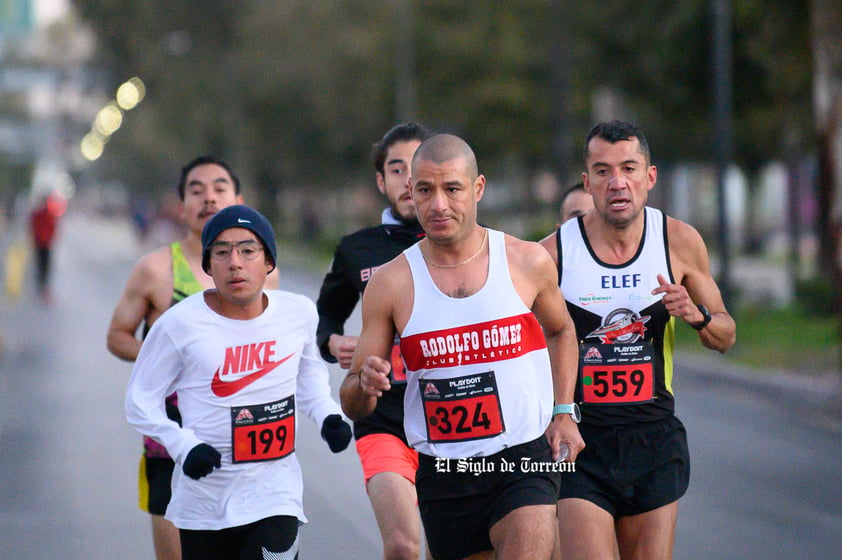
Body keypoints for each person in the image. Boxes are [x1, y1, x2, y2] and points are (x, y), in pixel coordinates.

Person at [341, 133, 585, 560]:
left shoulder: (524, 261)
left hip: (522, 460)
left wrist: (564, 411)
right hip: (444, 470)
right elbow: (352, 401)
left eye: (452, 189)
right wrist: (364, 382)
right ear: (410, 193)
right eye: (425, 190)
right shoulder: (390, 282)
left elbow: (562, 332)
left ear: (477, 189)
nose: (438, 205)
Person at [539, 120, 736, 560]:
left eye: (629, 168)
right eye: (604, 171)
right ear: (587, 182)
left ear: (649, 177)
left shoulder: (679, 241)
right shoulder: (553, 254)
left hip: (654, 437)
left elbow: (725, 335)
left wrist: (698, 316)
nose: (618, 182)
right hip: (582, 441)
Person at [125, 205, 352, 560]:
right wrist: (183, 445)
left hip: (275, 496)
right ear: (208, 265)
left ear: (268, 262)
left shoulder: (299, 313)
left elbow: (308, 379)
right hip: (203, 503)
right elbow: (140, 400)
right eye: (221, 252)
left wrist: (328, 416)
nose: (235, 262)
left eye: (248, 250)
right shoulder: (178, 325)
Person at [106, 156, 279, 560]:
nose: (208, 197)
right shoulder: (155, 270)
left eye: (220, 188)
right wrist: (170, 362)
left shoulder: (265, 273)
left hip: (247, 445)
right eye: (196, 190)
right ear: (180, 207)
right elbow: (117, 336)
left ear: (239, 199)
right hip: (172, 446)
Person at [317, 122, 432, 560]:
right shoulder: (357, 249)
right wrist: (332, 343)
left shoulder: (470, 245)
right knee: (403, 546)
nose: (408, 180)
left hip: (455, 418)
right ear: (381, 181)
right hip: (384, 418)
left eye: (417, 167)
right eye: (397, 170)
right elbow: (326, 315)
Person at [29, 190, 65, 303]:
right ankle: (42, 287)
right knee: (44, 266)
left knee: (42, 266)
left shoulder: (40, 213)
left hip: (42, 243)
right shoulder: (44, 214)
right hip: (43, 243)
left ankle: (42, 286)